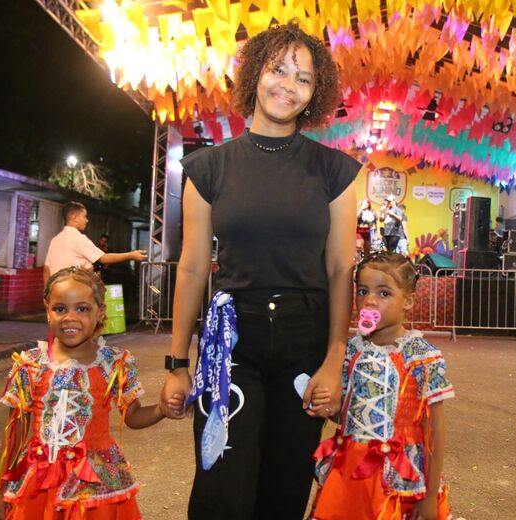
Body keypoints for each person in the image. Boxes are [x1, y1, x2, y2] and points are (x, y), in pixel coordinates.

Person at [159, 21, 360, 520]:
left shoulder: (335, 171)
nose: (288, 85)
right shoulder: (207, 168)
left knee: (285, 487)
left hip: (305, 341)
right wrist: (177, 364)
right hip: (231, 343)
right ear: (254, 74)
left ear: (315, 94)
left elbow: (341, 268)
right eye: (278, 70)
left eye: (303, 78)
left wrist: (334, 360)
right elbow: (192, 268)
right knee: (221, 484)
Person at [0, 267, 178, 519]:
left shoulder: (114, 363)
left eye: (82, 309)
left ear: (100, 312)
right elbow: (15, 432)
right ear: (47, 311)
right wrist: (1, 489)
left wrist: (161, 410)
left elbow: (133, 417)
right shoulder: (31, 365)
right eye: (60, 308)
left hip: (97, 480)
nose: (70, 317)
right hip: (40, 482)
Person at [312, 252, 454, 520]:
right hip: (349, 475)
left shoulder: (421, 356)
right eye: (362, 291)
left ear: (408, 301)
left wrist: (429, 496)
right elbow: (342, 414)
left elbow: (434, 433)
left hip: (399, 482)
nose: (369, 300)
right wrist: (325, 405)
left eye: (384, 293)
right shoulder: (349, 351)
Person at [43, 202, 146, 285]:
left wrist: (47, 294)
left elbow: (46, 269)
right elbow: (104, 258)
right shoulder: (79, 238)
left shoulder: (55, 240)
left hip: (56, 294)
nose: (87, 220)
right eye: (84, 216)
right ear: (74, 217)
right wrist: (131, 255)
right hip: (75, 293)